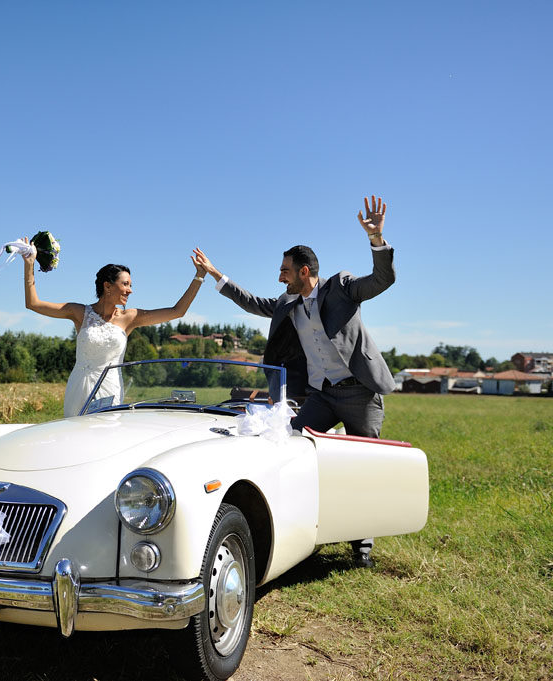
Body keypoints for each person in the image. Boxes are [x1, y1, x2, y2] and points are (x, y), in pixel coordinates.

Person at [193, 195, 397, 568]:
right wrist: (215, 275)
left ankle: (362, 549)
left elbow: (383, 279)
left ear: (305, 271)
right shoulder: (287, 303)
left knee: (364, 466)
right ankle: (298, 527)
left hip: (358, 395)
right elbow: (252, 301)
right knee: (288, 444)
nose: (279, 276)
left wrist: (377, 240)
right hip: (321, 396)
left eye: (285, 270)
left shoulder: (341, 288)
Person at [22, 242, 206, 417]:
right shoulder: (79, 312)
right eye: (125, 284)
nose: (130, 290)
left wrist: (199, 277)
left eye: (130, 285)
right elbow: (33, 303)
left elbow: (177, 311)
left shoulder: (130, 318)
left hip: (110, 389)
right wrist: (29, 264)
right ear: (107, 286)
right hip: (79, 387)